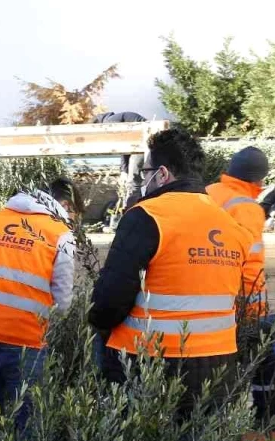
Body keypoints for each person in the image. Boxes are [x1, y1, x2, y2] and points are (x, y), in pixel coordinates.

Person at [89, 127, 250, 405]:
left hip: (149, 362)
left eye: (145, 172)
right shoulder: (231, 225)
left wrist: (98, 324)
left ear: (162, 174)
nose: (143, 180)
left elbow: (110, 300)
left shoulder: (147, 216)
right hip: (218, 363)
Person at [0, 188, 74, 422]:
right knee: (25, 422)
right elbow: (62, 302)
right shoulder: (60, 233)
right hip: (25, 338)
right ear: (59, 204)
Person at [206, 147, 275, 422]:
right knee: (264, 358)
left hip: (205, 293)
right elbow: (251, 265)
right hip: (236, 299)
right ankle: (266, 417)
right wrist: (256, 312)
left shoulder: (208, 192)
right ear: (258, 182)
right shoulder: (246, 207)